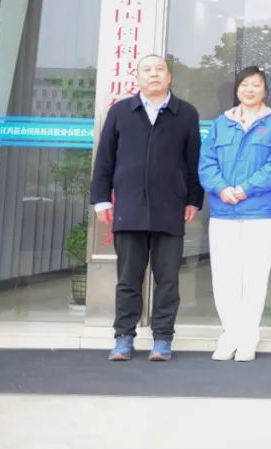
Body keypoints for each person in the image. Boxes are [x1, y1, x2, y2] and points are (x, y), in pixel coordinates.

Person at [90, 54, 203, 362]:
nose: (154, 74)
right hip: (129, 207)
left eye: (160, 69)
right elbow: (105, 158)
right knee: (128, 279)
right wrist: (101, 198)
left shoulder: (185, 113)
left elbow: (194, 160)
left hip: (171, 207)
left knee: (168, 280)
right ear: (137, 77)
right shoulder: (121, 111)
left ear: (169, 77)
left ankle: (163, 338)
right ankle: (124, 337)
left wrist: (193, 199)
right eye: (147, 70)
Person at [198, 66, 271, 362]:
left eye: (256, 85)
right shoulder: (221, 123)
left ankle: (248, 338)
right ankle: (230, 335)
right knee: (224, 276)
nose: (250, 89)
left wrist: (244, 189)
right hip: (223, 211)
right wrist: (221, 188)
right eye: (245, 84)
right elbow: (206, 163)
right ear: (237, 89)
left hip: (259, 212)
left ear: (265, 90)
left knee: (255, 276)